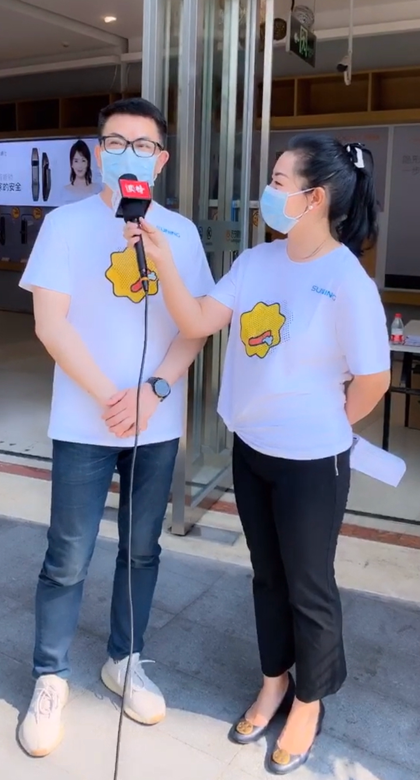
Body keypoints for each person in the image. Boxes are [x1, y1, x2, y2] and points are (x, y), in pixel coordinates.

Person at [124, 134, 391, 775]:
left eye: (277, 181)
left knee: (308, 585)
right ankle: (275, 680)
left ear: (314, 198)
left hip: (313, 464)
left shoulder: (346, 281)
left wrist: (324, 426)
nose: (266, 193)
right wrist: (161, 262)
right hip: (252, 450)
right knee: (267, 575)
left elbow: (374, 380)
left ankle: (309, 700)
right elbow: (196, 321)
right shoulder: (256, 261)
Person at [17, 97, 214, 757]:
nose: (129, 154)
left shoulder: (180, 232)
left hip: (154, 422)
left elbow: (194, 326)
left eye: (143, 145)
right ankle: (50, 676)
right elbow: (50, 324)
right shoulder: (65, 225)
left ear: (161, 159)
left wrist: (152, 392)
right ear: (100, 152)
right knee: (68, 554)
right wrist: (111, 397)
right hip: (85, 421)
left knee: (141, 549)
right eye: (117, 143)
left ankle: (125, 658)